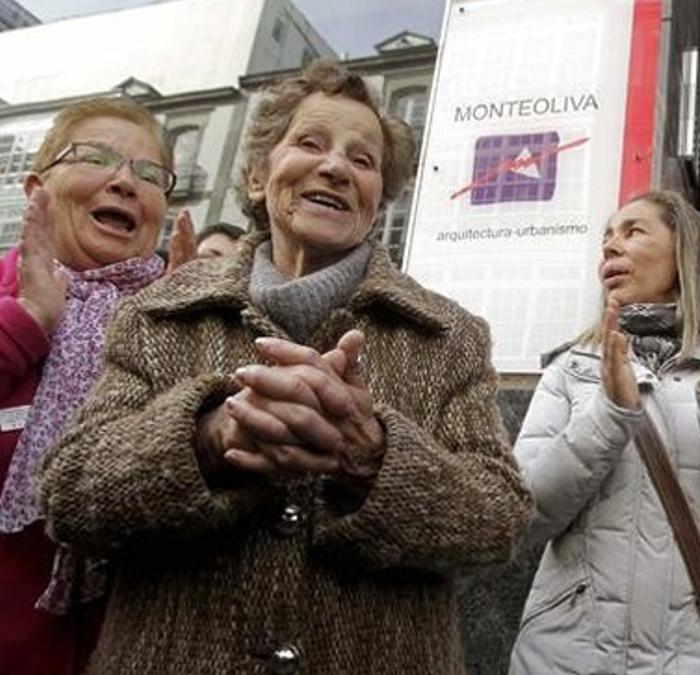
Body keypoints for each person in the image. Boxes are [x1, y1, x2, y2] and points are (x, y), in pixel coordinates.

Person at [38, 60, 532, 674]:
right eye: (310, 143)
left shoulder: (448, 336)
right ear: (254, 177)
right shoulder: (158, 315)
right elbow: (70, 495)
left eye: (363, 159)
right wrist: (210, 438)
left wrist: (372, 457)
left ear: (378, 199)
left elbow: (498, 521)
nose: (335, 167)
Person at [508, 190, 700, 674]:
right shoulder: (574, 366)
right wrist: (608, 414)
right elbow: (520, 516)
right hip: (565, 657)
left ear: (684, 251)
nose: (610, 246)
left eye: (633, 231)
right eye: (607, 236)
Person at [0, 97, 184, 674]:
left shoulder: (177, 326)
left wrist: (183, 346)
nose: (126, 182)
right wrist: (28, 320)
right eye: (97, 158)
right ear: (38, 188)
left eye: (149, 174)